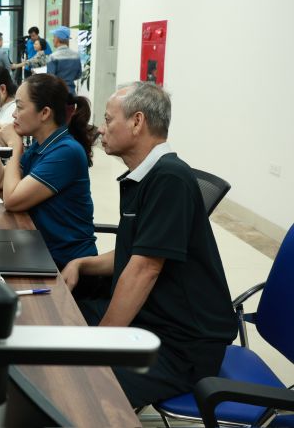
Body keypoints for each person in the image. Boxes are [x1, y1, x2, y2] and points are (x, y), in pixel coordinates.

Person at [61, 82, 238, 408]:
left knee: (76, 385)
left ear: (137, 122)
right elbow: (133, 253)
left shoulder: (169, 179)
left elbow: (143, 269)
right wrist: (81, 264)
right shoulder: (147, 175)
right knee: (62, 318)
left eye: (108, 119)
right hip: (153, 319)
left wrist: (100, 345)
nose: (101, 129)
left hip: (180, 344)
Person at [0, 74, 98, 270]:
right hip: (41, 249)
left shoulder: (66, 152)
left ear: (44, 113)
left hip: (66, 264)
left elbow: (11, 200)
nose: (13, 115)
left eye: (19, 107)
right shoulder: (41, 145)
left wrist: (14, 145)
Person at [47, 26, 82, 94]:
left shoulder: (53, 57)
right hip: (72, 94)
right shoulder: (76, 56)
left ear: (57, 39)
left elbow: (50, 79)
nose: (53, 39)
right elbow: (78, 75)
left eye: (54, 37)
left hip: (58, 94)